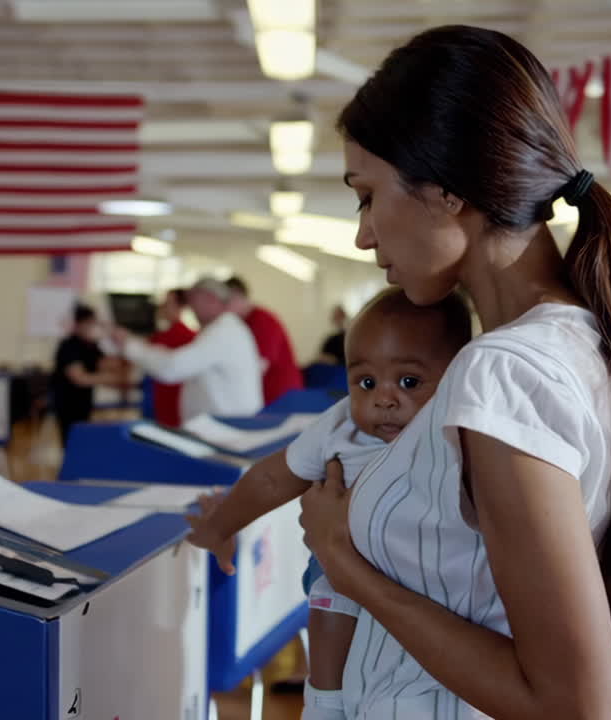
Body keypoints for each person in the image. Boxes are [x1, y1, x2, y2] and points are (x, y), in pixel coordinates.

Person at [294, 26, 611, 717]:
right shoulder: (568, 339)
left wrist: (344, 563)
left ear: (447, 191)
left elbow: (572, 703)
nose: (363, 233)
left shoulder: (502, 372)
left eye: (367, 195)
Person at [187, 288, 472, 720]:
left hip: (426, 592)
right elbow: (270, 477)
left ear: (455, 376)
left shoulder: (457, 432)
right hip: (346, 562)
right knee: (329, 594)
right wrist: (219, 526)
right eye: (366, 382)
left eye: (409, 382)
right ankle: (323, 700)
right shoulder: (340, 426)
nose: (384, 398)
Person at [111, 278, 263, 422]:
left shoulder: (223, 332)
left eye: (194, 301)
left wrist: (130, 346)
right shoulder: (220, 330)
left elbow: (172, 367)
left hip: (225, 429)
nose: (191, 307)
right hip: (220, 427)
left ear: (210, 299)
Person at [225, 276, 304, 405]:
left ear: (238, 296)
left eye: (227, 301)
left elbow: (260, 365)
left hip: (280, 394)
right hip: (267, 392)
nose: (225, 308)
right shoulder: (241, 323)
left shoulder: (262, 320)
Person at [51, 305, 119, 447]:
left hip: (84, 403)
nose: (93, 327)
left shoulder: (91, 345)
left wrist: (109, 334)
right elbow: (79, 378)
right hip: (67, 404)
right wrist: (106, 378)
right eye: (90, 323)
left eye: (94, 323)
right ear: (79, 324)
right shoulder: (69, 346)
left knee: (82, 441)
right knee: (71, 443)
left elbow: (111, 364)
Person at [147, 289, 197, 427]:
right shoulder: (158, 337)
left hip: (177, 405)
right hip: (157, 401)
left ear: (181, 306)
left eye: (168, 303)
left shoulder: (191, 338)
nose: (162, 307)